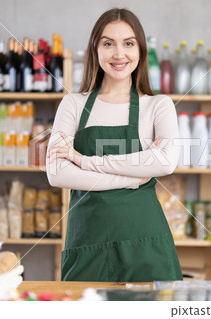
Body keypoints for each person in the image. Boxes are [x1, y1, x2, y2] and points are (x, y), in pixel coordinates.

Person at [46, 8, 182, 282]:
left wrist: (84, 161)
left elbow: (165, 162)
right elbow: (57, 173)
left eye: (128, 43)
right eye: (108, 44)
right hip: (88, 243)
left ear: (141, 51)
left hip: (145, 242)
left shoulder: (158, 106)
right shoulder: (73, 104)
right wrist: (130, 178)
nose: (119, 54)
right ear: (95, 50)